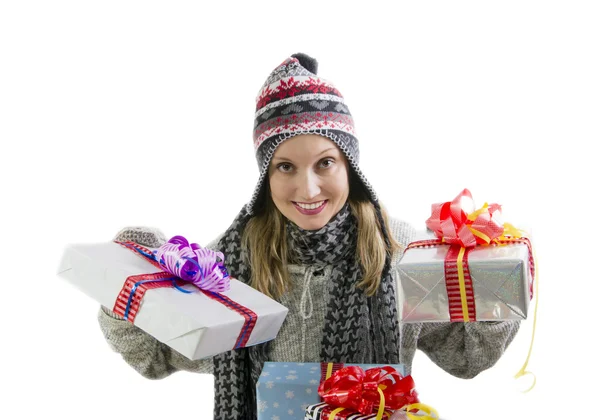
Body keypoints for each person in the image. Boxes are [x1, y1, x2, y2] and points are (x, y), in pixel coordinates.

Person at [98, 53, 520, 420]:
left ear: (349, 166)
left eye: (324, 163)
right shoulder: (223, 268)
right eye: (285, 167)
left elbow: (467, 357)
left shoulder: (404, 253)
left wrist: (492, 281)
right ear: (266, 174)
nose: (308, 189)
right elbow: (154, 356)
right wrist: (128, 280)